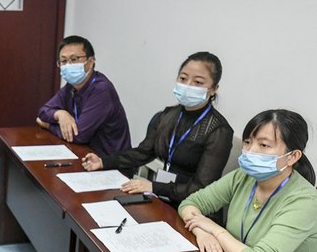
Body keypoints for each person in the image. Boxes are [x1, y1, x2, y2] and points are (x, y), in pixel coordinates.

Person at [179, 109, 317, 252]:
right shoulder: (243, 177)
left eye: (263, 145)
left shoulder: (305, 202)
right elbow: (190, 203)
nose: (250, 151)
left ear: (293, 156)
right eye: (247, 142)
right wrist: (201, 231)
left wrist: (215, 229)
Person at [82, 51, 233, 207]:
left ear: (213, 89)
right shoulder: (167, 116)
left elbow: (202, 187)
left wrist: (153, 186)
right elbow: (143, 152)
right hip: (161, 197)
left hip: (192, 208)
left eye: (198, 82)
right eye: (183, 78)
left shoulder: (219, 131)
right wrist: (103, 161)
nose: (188, 85)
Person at [36, 35, 131, 156]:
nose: (68, 65)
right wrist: (60, 114)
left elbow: (79, 136)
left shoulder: (101, 90)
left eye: (74, 59)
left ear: (90, 62)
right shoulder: (71, 87)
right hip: (84, 156)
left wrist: (48, 125)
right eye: (64, 61)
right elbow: (43, 112)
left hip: (111, 165)